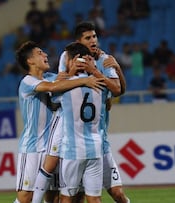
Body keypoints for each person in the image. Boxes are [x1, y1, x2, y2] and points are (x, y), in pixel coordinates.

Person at [32, 21, 129, 203]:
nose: (93, 41)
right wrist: (88, 80)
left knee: (114, 193)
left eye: (94, 36)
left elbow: (118, 89)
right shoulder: (67, 56)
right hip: (72, 132)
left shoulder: (104, 59)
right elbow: (63, 81)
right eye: (88, 38)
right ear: (79, 42)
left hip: (98, 139)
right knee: (71, 190)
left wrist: (116, 68)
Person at [14, 41, 105, 203]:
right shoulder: (27, 82)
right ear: (30, 61)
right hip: (33, 147)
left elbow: (65, 82)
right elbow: (52, 87)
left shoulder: (52, 78)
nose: (45, 55)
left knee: (54, 198)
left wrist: (73, 72)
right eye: (40, 53)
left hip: (54, 147)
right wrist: (84, 81)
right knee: (25, 198)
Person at [57, 42, 105, 203]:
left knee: (67, 198)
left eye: (67, 60)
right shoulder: (99, 83)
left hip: (73, 150)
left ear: (74, 60)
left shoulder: (65, 88)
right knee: (94, 198)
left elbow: (53, 98)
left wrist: (69, 73)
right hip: (95, 148)